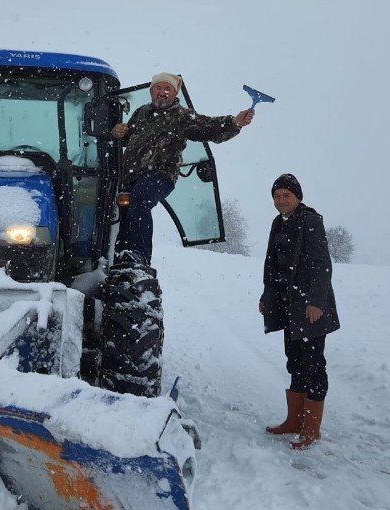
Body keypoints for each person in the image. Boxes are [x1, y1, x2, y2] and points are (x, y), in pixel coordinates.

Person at [111, 72, 254, 263]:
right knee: (122, 211)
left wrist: (234, 122)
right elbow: (130, 138)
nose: (162, 92)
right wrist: (119, 132)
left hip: (161, 174)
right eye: (158, 88)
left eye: (167, 88)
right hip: (132, 176)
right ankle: (120, 258)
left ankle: (139, 257)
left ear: (175, 92)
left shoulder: (182, 116)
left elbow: (209, 127)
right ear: (152, 91)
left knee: (141, 198)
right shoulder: (141, 113)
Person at [259, 173, 340, 450]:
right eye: (277, 196)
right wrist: (266, 296)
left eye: (286, 195)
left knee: (314, 365)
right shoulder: (278, 223)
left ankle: (311, 429)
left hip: (309, 308)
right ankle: (294, 421)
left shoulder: (310, 221)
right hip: (288, 306)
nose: (281, 200)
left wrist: (316, 302)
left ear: (298, 197)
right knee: (295, 361)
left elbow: (321, 264)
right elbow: (271, 264)